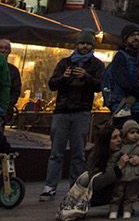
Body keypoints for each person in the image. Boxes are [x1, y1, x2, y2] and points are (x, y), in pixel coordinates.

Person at [42, 31, 105, 199]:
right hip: (62, 111)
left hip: (82, 111)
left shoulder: (96, 64)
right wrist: (64, 77)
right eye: (82, 43)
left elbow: (100, 86)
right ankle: (50, 186)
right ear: (77, 45)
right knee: (56, 151)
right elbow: (52, 84)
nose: (84, 46)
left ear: (92, 46)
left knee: (78, 152)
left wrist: (86, 77)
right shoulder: (65, 63)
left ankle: (76, 186)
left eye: (88, 44)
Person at [104, 25, 139, 140]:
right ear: (125, 39)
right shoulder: (120, 57)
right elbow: (125, 82)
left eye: (138, 35)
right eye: (133, 35)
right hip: (125, 110)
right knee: (125, 146)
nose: (137, 38)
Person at [110, 119, 139, 220]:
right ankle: (114, 210)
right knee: (117, 194)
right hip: (122, 175)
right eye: (132, 132)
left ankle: (128, 210)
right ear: (126, 134)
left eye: (137, 132)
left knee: (131, 196)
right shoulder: (122, 145)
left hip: (135, 175)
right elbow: (113, 158)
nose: (135, 135)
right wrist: (113, 167)